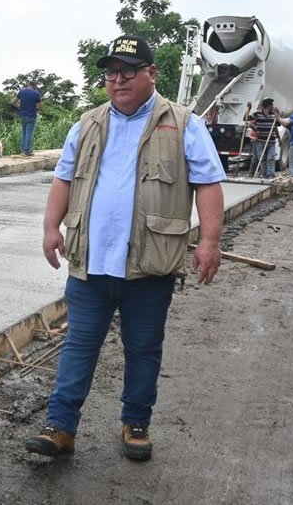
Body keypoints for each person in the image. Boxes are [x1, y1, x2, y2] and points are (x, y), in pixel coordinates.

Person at [26, 35, 225, 462]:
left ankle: (136, 422)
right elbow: (64, 179)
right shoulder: (87, 123)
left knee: (144, 348)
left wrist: (209, 241)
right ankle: (60, 427)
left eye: (128, 71)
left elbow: (208, 183)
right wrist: (50, 227)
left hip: (150, 265)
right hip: (90, 262)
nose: (118, 80)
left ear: (151, 74)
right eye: (111, 72)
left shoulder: (184, 124)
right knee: (79, 344)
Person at [248, 98, 279, 178]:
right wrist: (257, 130)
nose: (273, 106)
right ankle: (264, 174)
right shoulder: (257, 114)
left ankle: (270, 175)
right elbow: (247, 121)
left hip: (271, 141)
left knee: (271, 158)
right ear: (268, 106)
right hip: (260, 141)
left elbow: (277, 125)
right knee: (262, 159)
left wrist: (278, 116)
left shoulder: (274, 115)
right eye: (272, 105)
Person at [16, 82, 43, 156]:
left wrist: (19, 107)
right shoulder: (36, 94)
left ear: (29, 85)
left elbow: (13, 101)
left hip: (22, 115)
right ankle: (26, 151)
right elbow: (41, 107)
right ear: (34, 86)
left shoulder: (21, 92)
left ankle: (23, 150)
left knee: (24, 132)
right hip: (31, 115)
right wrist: (36, 109)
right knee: (29, 133)